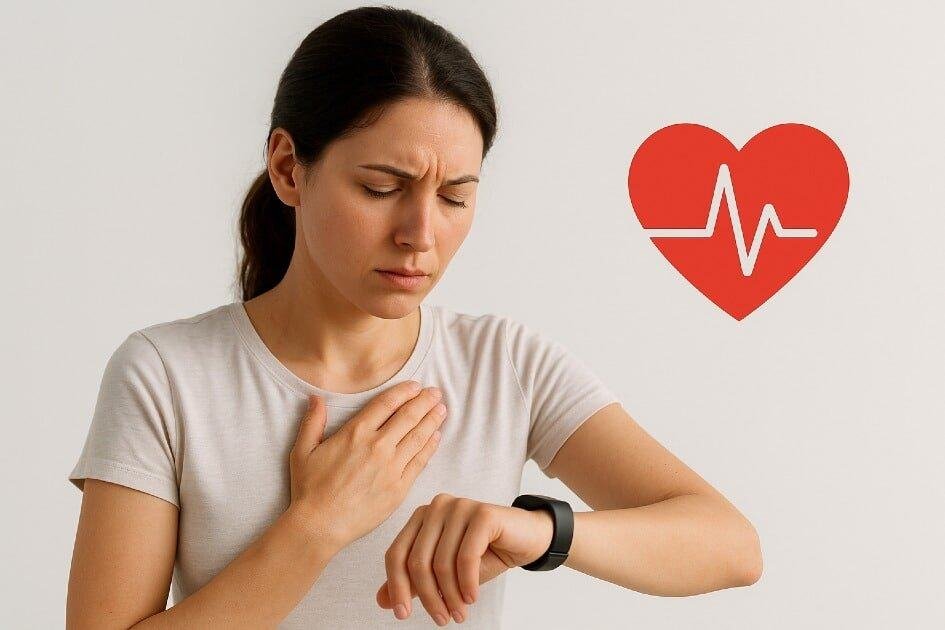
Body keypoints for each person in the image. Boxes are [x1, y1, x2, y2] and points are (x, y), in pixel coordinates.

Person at [66, 6, 763, 629]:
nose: (420, 233)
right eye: (381, 188)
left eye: (455, 197)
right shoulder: (165, 375)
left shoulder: (504, 365)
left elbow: (729, 547)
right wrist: (314, 527)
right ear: (287, 168)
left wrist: (539, 531)